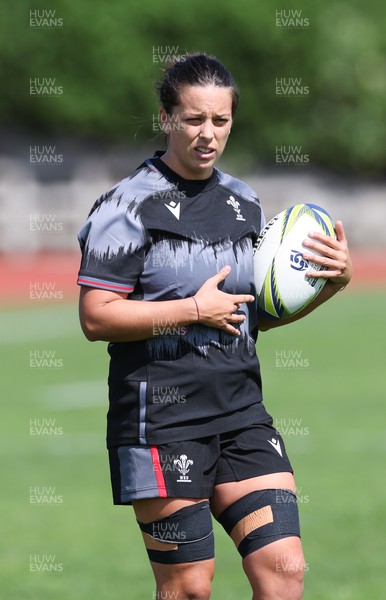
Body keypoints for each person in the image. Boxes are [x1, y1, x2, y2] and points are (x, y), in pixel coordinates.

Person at [77, 53, 352, 600]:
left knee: (284, 569)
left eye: (220, 121)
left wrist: (328, 286)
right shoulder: (126, 207)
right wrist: (191, 310)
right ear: (166, 118)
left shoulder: (243, 201)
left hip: (242, 411)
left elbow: (251, 315)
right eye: (194, 119)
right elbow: (95, 317)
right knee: (189, 589)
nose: (208, 134)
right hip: (162, 422)